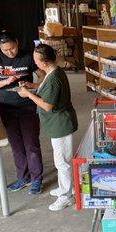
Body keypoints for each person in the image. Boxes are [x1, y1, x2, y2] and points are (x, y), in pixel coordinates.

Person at [18, 44, 78, 211]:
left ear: (44, 62)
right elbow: (45, 89)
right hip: (57, 123)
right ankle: (66, 187)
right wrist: (31, 86)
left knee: (62, 162)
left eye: (36, 60)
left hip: (60, 124)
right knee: (62, 159)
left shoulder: (53, 78)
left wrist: (28, 95)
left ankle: (66, 196)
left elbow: (47, 105)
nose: (34, 62)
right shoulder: (54, 71)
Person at [0, 31, 44, 195]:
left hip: (27, 105)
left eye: (12, 48)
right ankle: (23, 177)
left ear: (17, 42)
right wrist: (5, 81)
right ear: (0, 48)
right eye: (5, 50)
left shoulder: (28, 57)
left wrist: (31, 86)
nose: (9, 52)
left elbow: (43, 76)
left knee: (31, 143)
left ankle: (37, 178)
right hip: (7, 106)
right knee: (16, 145)